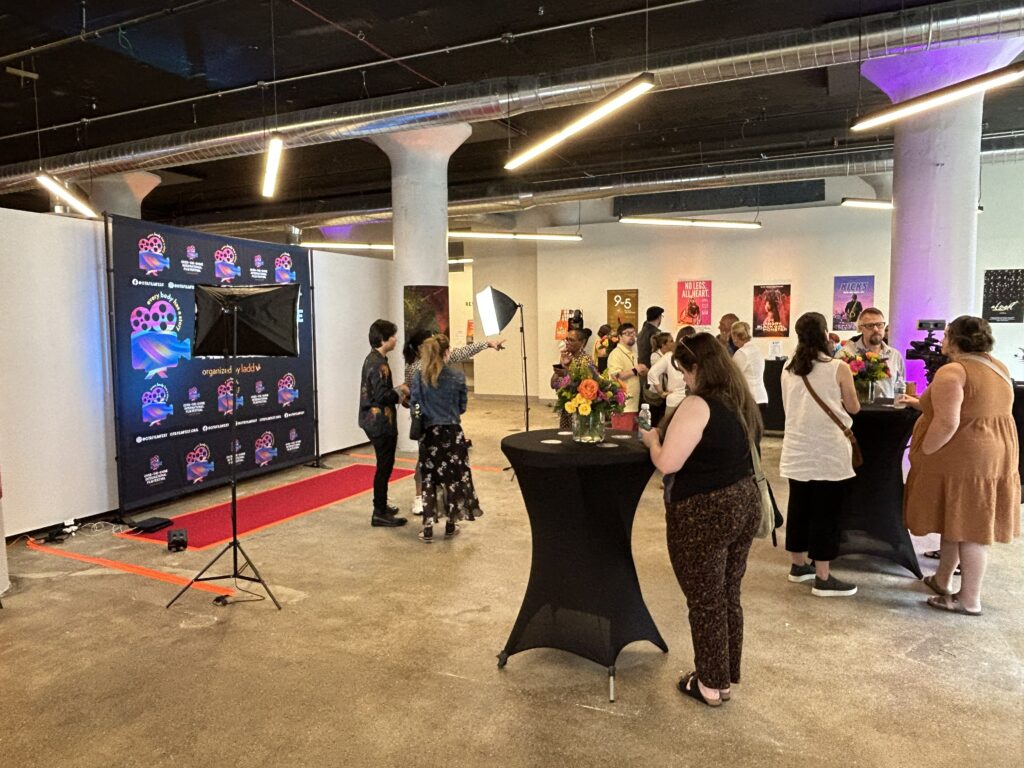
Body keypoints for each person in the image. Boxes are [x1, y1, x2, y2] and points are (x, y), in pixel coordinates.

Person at [639, 332, 763, 707]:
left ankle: (709, 683)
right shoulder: (739, 399)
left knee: (705, 600)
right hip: (743, 502)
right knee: (726, 593)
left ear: (695, 367)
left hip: (704, 512)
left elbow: (668, 462)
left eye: (684, 372)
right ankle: (724, 676)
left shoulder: (699, 405)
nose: (685, 380)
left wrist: (651, 441)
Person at [901, 316, 1020, 615]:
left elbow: (948, 421)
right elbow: (971, 407)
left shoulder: (953, 371)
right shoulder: (997, 366)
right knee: (955, 519)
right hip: (993, 453)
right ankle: (943, 580)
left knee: (971, 530)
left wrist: (923, 452)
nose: (941, 340)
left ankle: (969, 600)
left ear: (954, 340)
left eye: (946, 335)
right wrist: (917, 403)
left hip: (966, 459)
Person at [780, 312, 861, 596]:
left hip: (797, 448)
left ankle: (799, 565)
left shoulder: (788, 369)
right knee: (827, 511)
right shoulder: (838, 367)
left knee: (799, 506)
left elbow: (788, 408)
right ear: (826, 333)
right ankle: (824, 578)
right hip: (828, 449)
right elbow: (853, 408)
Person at [403, 330, 504, 516]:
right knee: (429, 463)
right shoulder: (415, 369)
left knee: (432, 463)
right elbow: (413, 397)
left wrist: (487, 344)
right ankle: (421, 498)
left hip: (435, 424)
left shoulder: (442, 364)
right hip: (430, 423)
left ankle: (434, 507)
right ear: (420, 349)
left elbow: (463, 352)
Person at [411, 334, 480, 543]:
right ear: (447, 352)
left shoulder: (419, 376)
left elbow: (415, 405)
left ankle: (428, 527)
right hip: (452, 434)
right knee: (453, 479)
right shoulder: (457, 377)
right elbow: (462, 407)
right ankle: (451, 524)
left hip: (429, 435)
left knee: (429, 479)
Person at [359, 319, 409, 528]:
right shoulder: (379, 363)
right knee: (384, 466)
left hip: (373, 421)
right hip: (380, 424)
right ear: (383, 339)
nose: (395, 339)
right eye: (392, 336)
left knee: (384, 465)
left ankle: (381, 505)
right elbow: (381, 396)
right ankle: (379, 512)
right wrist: (401, 390)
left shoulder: (373, 359)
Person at [840, 308, 906, 399]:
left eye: (879, 325)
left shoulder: (895, 355)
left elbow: (900, 388)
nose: (876, 329)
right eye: (870, 326)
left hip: (888, 411)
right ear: (860, 328)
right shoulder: (846, 353)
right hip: (856, 411)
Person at [551, 327, 594, 429]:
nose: (567, 342)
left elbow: (582, 385)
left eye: (572, 340)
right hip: (566, 407)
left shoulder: (586, 360)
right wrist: (562, 365)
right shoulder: (567, 357)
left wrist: (567, 371)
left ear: (582, 342)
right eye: (567, 339)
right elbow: (553, 384)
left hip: (580, 408)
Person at [607, 323, 647, 430]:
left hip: (634, 403)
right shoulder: (616, 354)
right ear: (620, 336)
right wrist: (635, 370)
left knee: (633, 440)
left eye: (634, 333)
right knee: (622, 440)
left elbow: (633, 372)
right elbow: (616, 376)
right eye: (628, 333)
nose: (632, 336)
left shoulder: (633, 352)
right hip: (623, 406)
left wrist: (642, 371)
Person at [648, 327, 693, 420]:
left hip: (674, 400)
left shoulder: (669, 356)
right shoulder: (697, 357)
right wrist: (660, 392)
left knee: (669, 431)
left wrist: (661, 392)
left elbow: (652, 373)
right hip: (691, 402)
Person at [730, 322, 768, 416]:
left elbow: (732, 376)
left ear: (735, 337)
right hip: (761, 397)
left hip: (749, 400)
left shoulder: (742, 353)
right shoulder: (757, 350)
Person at [645, 332, 674, 428]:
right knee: (654, 419)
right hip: (656, 393)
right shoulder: (655, 356)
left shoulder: (670, 355)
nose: (673, 343)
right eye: (671, 341)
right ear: (663, 345)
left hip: (666, 392)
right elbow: (663, 371)